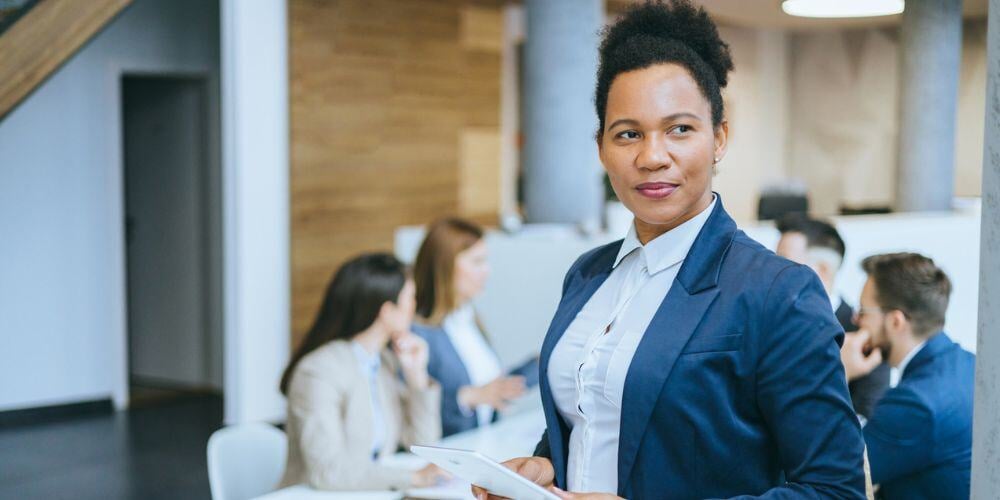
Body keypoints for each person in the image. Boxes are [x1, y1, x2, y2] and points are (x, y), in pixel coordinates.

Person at [475, 1, 865, 498]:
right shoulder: (588, 275)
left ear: (719, 138)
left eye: (679, 129)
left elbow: (835, 489)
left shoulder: (778, 292)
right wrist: (545, 466)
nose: (652, 156)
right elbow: (605, 421)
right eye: (628, 134)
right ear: (601, 148)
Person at [278, 253, 447, 491]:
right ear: (387, 311)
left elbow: (424, 446)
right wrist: (412, 478)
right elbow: (329, 472)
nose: (415, 306)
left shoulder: (383, 363)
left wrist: (416, 377)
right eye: (411, 297)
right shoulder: (319, 371)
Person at [840, 253, 974, 500]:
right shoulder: (969, 364)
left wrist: (839, 374)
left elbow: (839, 470)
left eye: (863, 312)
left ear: (896, 321)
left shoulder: (916, 403)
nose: (855, 320)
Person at [411, 217, 538, 437]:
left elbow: (487, 388)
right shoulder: (418, 331)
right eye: (477, 262)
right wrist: (467, 397)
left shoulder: (468, 318)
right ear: (445, 266)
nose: (487, 271)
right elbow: (409, 406)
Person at [776, 214, 890, 419]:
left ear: (822, 270)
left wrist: (840, 373)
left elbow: (867, 422)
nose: (771, 272)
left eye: (783, 263)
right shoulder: (768, 322)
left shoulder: (862, 334)